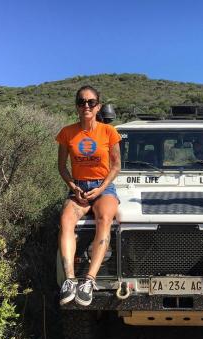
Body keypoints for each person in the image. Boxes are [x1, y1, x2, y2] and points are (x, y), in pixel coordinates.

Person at [56, 85, 121, 307]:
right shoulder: (67, 132)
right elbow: (62, 166)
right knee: (66, 220)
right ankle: (70, 280)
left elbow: (116, 166)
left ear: (98, 106)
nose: (86, 106)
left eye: (91, 102)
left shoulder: (109, 132)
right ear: (76, 106)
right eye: (82, 102)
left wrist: (101, 189)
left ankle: (89, 281)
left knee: (105, 220)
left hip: (103, 188)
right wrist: (74, 187)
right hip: (79, 187)